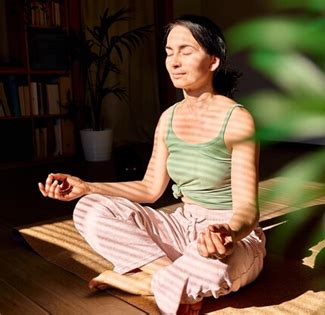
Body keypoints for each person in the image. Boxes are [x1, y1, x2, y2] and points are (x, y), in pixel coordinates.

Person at [38, 15, 266, 315]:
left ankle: (146, 281)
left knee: (214, 270)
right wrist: (87, 187)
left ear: (213, 61)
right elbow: (149, 189)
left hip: (227, 233)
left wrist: (229, 233)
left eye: (186, 51)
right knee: (89, 208)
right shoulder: (168, 118)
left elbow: (248, 210)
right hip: (183, 226)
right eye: (169, 52)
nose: (174, 61)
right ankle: (168, 279)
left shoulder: (238, 120)